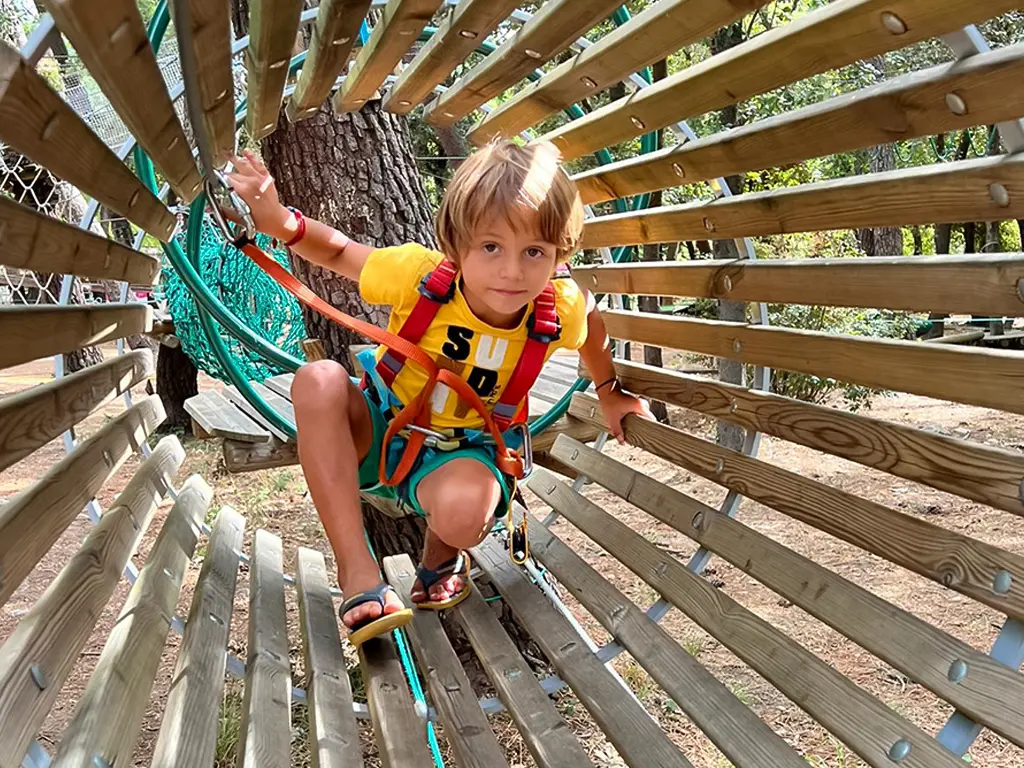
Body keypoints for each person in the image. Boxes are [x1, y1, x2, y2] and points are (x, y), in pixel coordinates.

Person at [226, 140, 651, 644]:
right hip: (381, 426)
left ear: (559, 253)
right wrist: (280, 223)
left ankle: (439, 558)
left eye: (534, 251)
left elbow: (593, 324)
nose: (512, 271)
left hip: (462, 450)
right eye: (491, 247)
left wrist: (608, 390)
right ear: (458, 242)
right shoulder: (422, 276)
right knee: (317, 380)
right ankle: (359, 574)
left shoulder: (558, 310)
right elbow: (340, 250)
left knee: (468, 512)